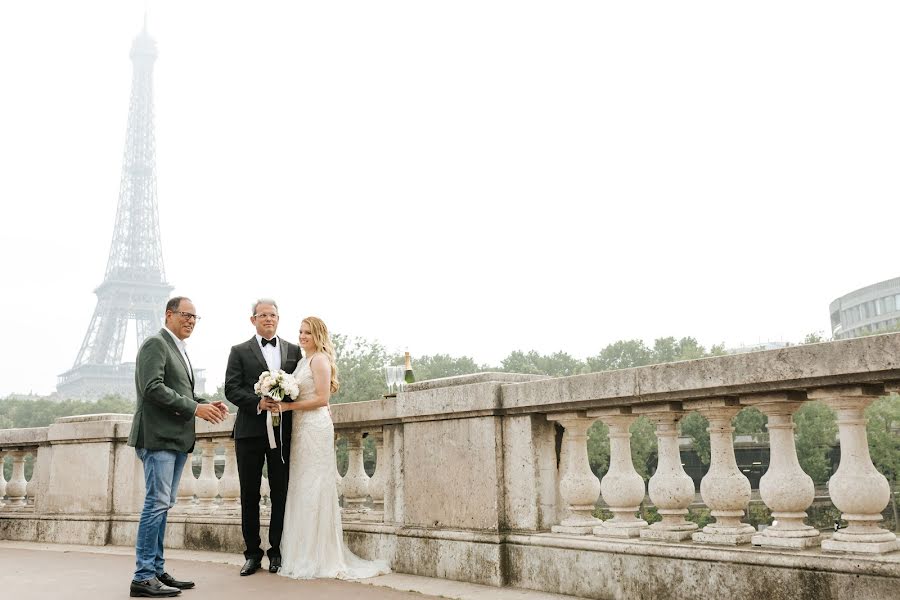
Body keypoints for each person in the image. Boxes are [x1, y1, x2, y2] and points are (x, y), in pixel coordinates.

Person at [273, 316, 391, 580]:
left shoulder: (320, 360)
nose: (302, 336)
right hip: (301, 430)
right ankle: (302, 553)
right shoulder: (303, 361)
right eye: (300, 331)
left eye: (308, 332)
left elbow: (323, 398)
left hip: (315, 428)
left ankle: (319, 556)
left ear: (318, 335)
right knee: (302, 487)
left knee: (315, 487)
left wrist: (288, 406)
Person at [128, 297, 229, 598]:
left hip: (174, 440)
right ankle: (143, 576)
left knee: (163, 505)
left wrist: (203, 404)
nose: (191, 321)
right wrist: (194, 410)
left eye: (195, 317)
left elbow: (180, 392)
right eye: (185, 315)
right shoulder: (155, 344)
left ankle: (156, 570)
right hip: (157, 437)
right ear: (168, 314)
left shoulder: (179, 349)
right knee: (155, 504)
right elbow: (152, 388)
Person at [224, 299, 301, 575]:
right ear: (252, 319)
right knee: (249, 494)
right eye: (263, 315)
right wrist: (258, 402)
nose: (268, 319)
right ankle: (252, 554)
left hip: (283, 433)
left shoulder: (294, 350)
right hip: (249, 433)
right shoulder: (238, 351)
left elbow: (302, 385)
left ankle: (277, 551)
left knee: (281, 492)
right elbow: (231, 389)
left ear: (278, 318)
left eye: (273, 315)